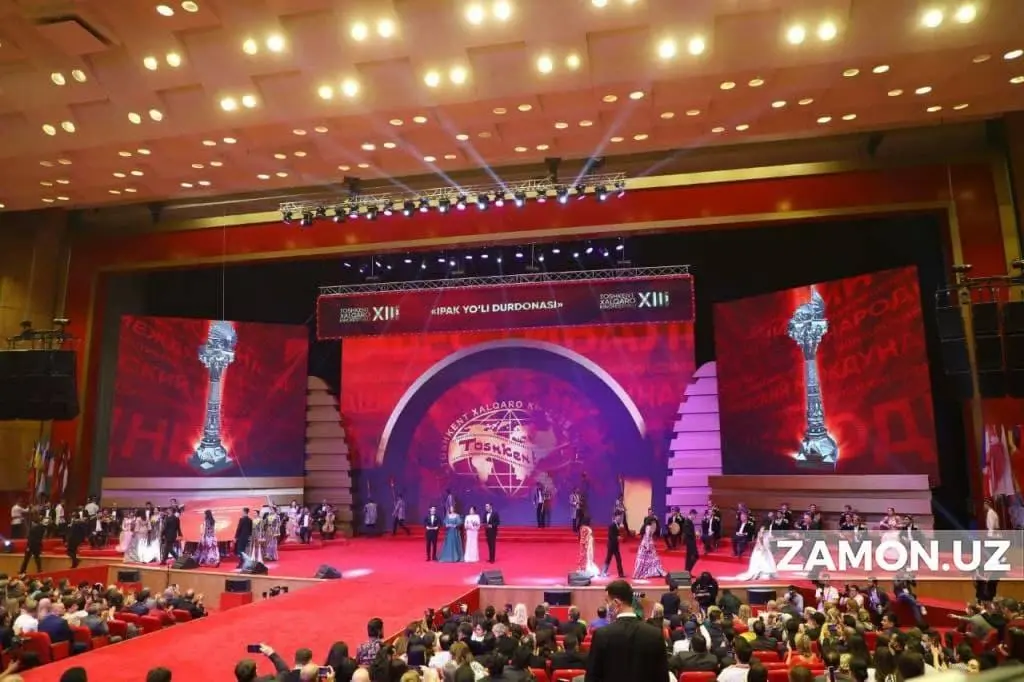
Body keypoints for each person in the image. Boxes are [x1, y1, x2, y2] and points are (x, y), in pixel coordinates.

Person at [585, 579, 668, 681]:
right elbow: (662, 677)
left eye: (607, 601)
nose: (607, 606)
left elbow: (592, 677)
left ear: (616, 603)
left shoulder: (601, 635)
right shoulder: (655, 634)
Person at [602, 513, 625, 578]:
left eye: (620, 517)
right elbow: (610, 535)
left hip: (616, 546)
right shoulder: (612, 525)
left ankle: (621, 574)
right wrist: (617, 537)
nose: (619, 518)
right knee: (608, 559)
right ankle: (603, 572)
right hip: (611, 546)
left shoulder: (619, 525)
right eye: (618, 517)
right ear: (615, 517)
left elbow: (620, 533)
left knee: (618, 559)